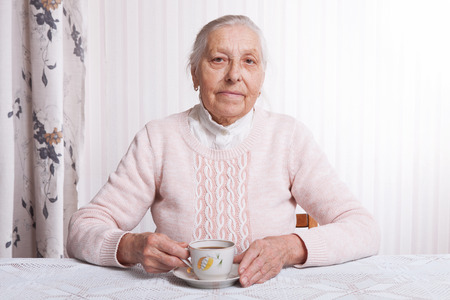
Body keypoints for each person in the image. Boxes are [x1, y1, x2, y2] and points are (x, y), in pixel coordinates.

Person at [67, 15, 380, 288]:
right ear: (194, 74)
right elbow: (81, 229)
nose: (234, 75)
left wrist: (290, 247)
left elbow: (363, 229)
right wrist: (131, 246)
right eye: (218, 59)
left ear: (261, 76)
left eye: (249, 61)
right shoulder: (158, 138)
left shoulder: (288, 137)